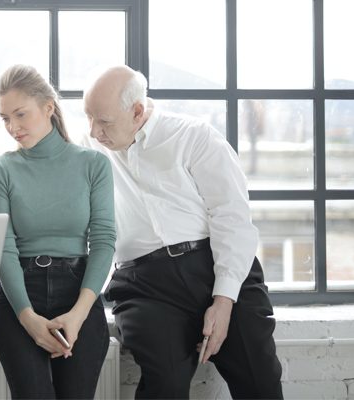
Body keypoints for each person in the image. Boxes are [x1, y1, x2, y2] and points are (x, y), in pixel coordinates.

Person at [83, 65, 283, 399]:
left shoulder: (194, 136)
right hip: (144, 285)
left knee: (259, 379)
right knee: (167, 382)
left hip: (213, 264)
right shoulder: (90, 146)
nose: (93, 130)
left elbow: (231, 216)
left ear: (136, 112)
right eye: (88, 117)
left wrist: (223, 301)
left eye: (103, 120)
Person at [0, 64, 116, 399]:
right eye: (5, 118)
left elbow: (103, 240)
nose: (13, 127)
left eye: (20, 114)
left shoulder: (93, 165)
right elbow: (3, 249)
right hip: (19, 297)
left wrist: (78, 315)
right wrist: (28, 320)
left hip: (79, 293)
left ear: (48, 107)